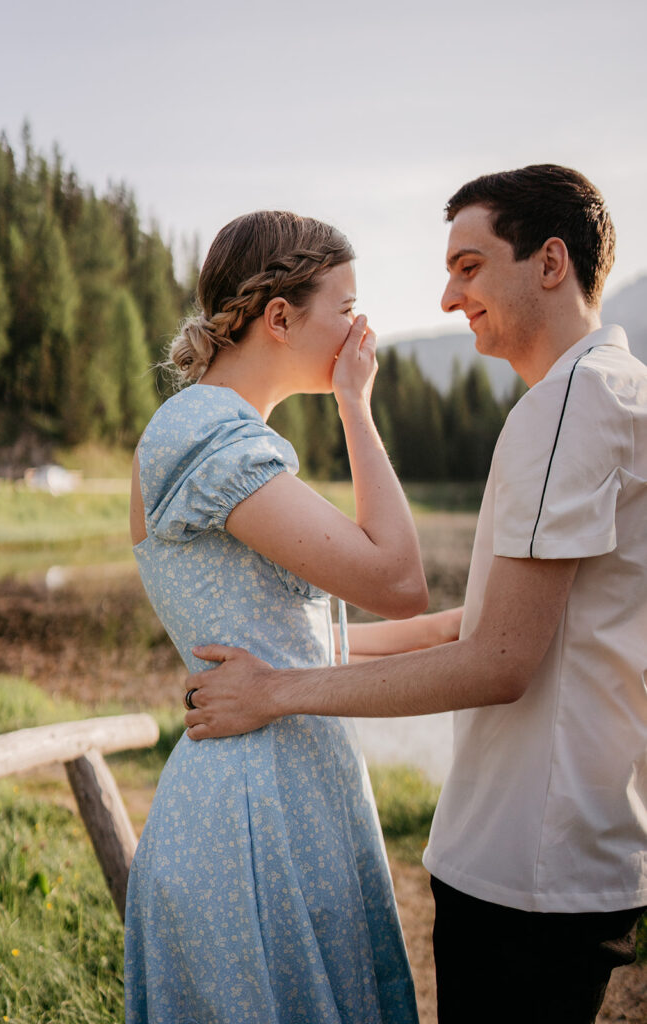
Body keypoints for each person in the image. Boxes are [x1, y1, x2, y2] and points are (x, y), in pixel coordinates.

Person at [183, 167, 647, 1024]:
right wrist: (294, 654)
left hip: (524, 867)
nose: (445, 296)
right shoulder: (620, 392)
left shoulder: (567, 407)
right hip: (576, 851)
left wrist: (277, 693)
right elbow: (498, 626)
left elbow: (499, 661)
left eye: (468, 266)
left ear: (550, 262)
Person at [125, 209, 462, 1023]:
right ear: (279, 317)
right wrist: (356, 404)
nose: (361, 329)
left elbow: (303, 644)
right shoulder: (211, 435)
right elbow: (397, 578)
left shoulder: (216, 434)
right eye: (345, 308)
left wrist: (473, 629)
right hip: (249, 818)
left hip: (273, 800)